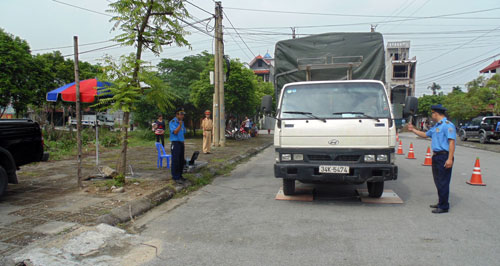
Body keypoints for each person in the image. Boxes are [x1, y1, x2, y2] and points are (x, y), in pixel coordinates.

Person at [408, 104, 456, 214]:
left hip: (444, 156)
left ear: (436, 113)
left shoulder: (447, 125)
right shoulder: (436, 126)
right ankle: (441, 202)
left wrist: (449, 159)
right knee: (438, 181)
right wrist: (413, 130)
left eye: (432, 113)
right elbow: (425, 135)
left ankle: (444, 206)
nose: (431, 115)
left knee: (443, 181)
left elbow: (451, 142)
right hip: (436, 156)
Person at [169, 107, 187, 184]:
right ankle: (175, 177)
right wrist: (179, 125)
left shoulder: (182, 122)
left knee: (181, 160)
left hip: (181, 143)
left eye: (183, 114)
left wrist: (183, 142)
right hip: (175, 143)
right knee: (175, 160)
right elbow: (175, 132)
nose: (182, 116)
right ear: (177, 114)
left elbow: (183, 132)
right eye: (181, 114)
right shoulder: (172, 122)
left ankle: (180, 175)